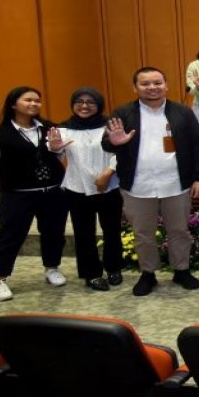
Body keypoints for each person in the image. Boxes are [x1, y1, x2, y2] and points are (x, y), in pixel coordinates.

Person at [103, 67, 199, 296]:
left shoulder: (182, 113)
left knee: (179, 230)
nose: (152, 87)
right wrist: (115, 142)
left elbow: (197, 146)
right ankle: (148, 273)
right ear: (135, 87)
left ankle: (181, 270)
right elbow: (107, 143)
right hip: (138, 185)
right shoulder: (123, 113)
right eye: (145, 83)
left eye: (157, 83)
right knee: (143, 233)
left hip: (175, 183)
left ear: (166, 85)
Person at [0, 87, 70, 301]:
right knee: (10, 236)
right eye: (28, 100)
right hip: (17, 195)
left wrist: (57, 148)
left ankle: (52, 268)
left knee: (54, 232)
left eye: (37, 101)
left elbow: (60, 153)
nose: (34, 104)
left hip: (52, 192)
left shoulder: (50, 128)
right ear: (14, 104)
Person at [56, 87, 123, 291]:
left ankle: (114, 268)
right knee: (83, 233)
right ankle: (91, 273)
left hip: (109, 185)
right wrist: (53, 148)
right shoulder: (63, 129)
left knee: (112, 230)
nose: (84, 106)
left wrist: (108, 172)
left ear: (99, 105)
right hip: (77, 188)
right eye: (79, 101)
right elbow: (57, 158)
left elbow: (120, 151)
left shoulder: (109, 126)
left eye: (90, 102)